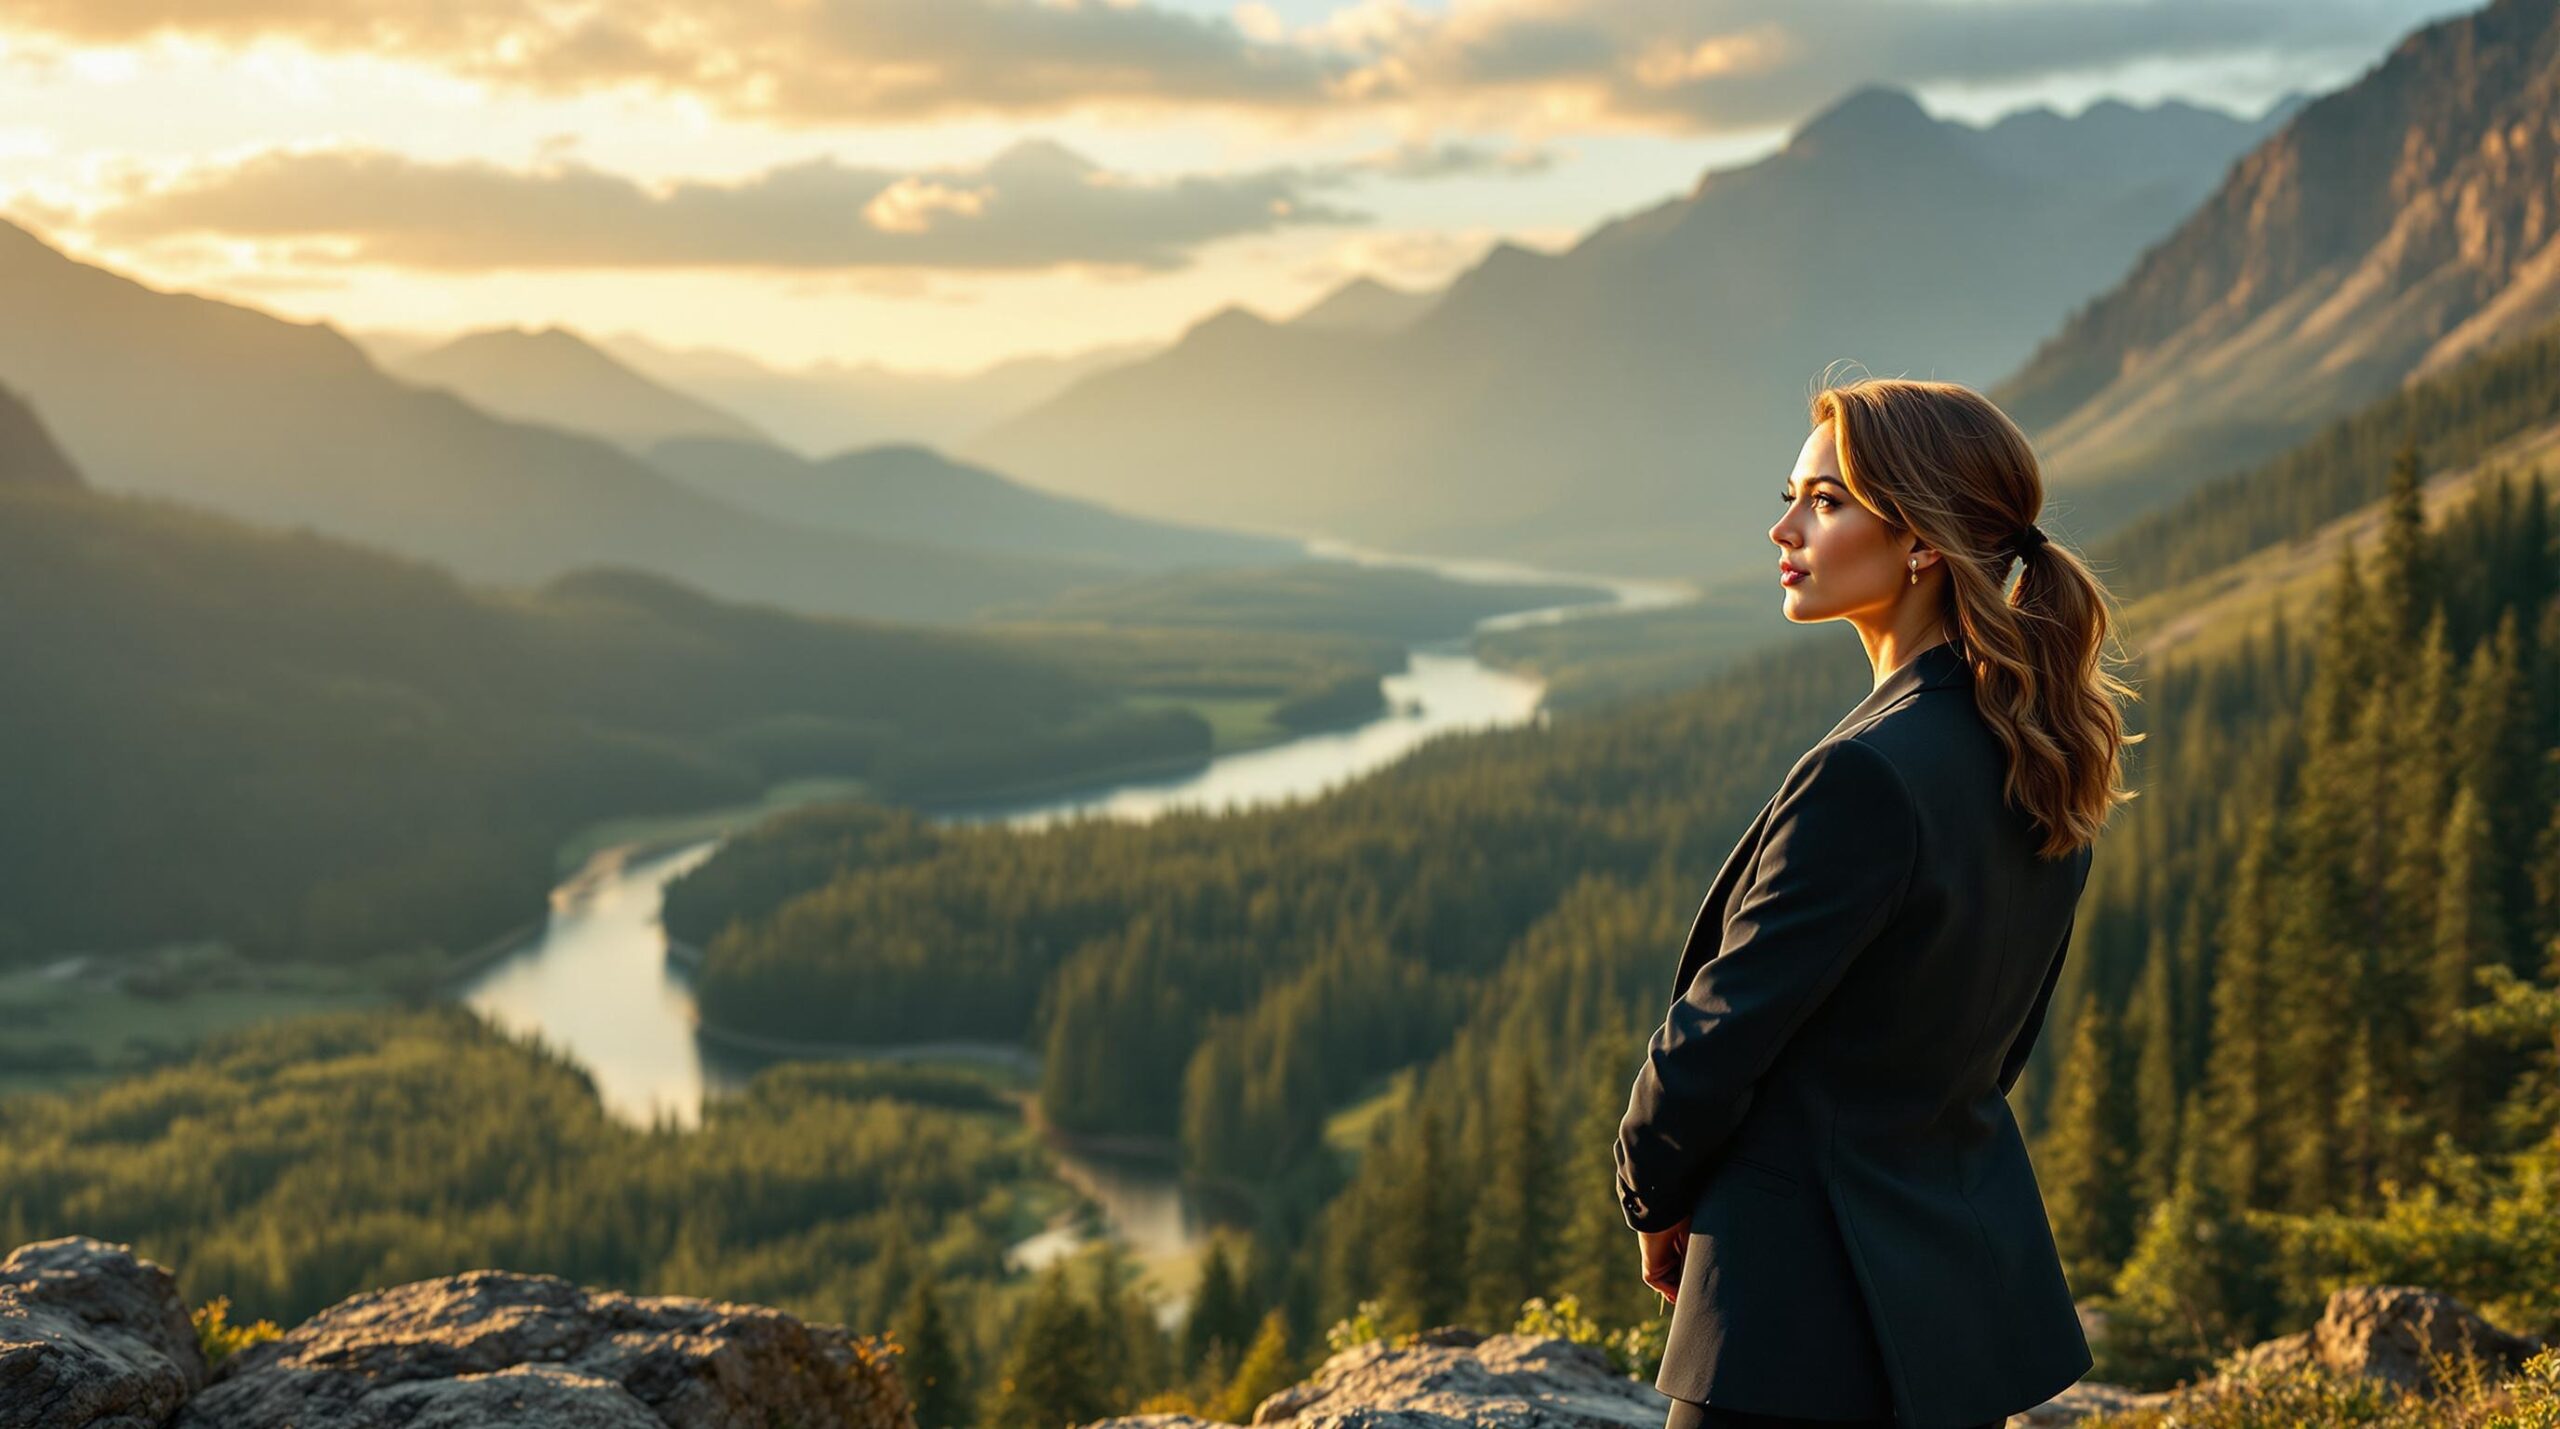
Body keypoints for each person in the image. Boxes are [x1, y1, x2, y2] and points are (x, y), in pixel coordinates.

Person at [1613, 376, 2140, 1429]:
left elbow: (1719, 1035)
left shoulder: (1866, 773)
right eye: (1793, 495)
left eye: (1824, 500)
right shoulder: (2040, 764)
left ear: (1920, 542)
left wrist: (1654, 1194)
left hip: (1786, 1318)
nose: (1783, 528)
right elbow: (1991, 1055)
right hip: (1946, 1313)